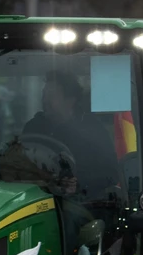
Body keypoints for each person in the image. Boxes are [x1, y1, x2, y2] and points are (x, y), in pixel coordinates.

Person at [22, 70, 121, 200]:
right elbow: (19, 164)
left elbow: (111, 173)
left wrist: (78, 183)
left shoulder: (92, 129)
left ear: (70, 100)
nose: (45, 101)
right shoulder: (33, 127)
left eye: (51, 96)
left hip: (82, 204)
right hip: (35, 200)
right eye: (43, 95)